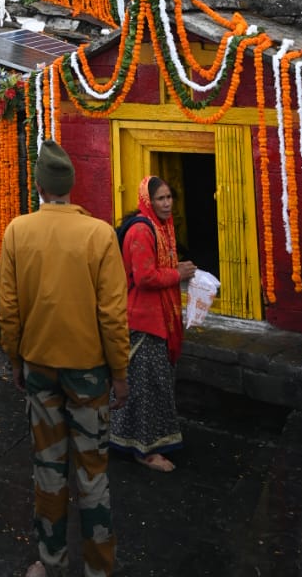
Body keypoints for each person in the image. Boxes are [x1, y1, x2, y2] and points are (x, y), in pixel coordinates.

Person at [0, 139, 129, 577]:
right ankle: (98, 568)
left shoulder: (17, 231)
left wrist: (15, 360)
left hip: (39, 367)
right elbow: (113, 315)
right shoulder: (99, 234)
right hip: (89, 373)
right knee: (93, 472)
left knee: (48, 468)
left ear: (38, 186)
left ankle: (51, 561)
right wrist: (120, 373)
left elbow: (9, 310)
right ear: (71, 185)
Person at [109, 175, 196, 472]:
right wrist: (177, 274)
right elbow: (145, 277)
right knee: (146, 386)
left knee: (151, 383)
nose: (167, 203)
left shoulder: (161, 227)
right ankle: (144, 450)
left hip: (156, 316)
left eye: (169, 197)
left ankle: (129, 438)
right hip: (143, 319)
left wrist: (176, 268)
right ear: (148, 201)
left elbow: (157, 267)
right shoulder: (141, 231)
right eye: (160, 198)